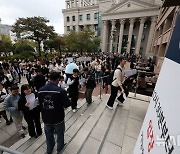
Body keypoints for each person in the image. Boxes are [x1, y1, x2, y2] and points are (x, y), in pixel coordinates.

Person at [38, 72, 70, 154]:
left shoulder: (40, 90)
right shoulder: (60, 91)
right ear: (58, 79)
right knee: (60, 134)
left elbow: (40, 104)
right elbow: (67, 104)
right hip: (58, 117)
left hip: (46, 117)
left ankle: (49, 149)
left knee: (48, 135)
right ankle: (60, 149)